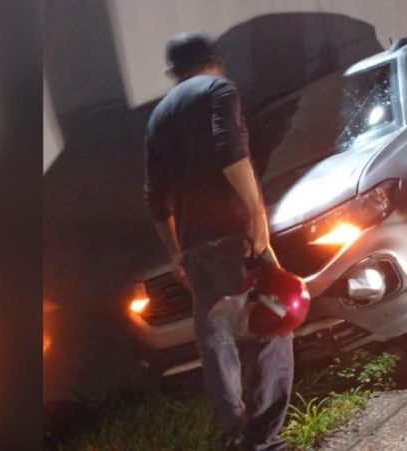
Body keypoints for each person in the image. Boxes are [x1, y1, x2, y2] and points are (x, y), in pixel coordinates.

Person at [144, 32, 292, 451]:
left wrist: (175, 251)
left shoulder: (158, 118)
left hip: (195, 245)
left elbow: (155, 197)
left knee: (216, 339)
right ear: (216, 60)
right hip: (234, 233)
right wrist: (256, 216)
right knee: (274, 322)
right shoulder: (219, 89)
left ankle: (235, 435)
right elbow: (231, 152)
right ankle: (263, 441)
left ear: (173, 72)